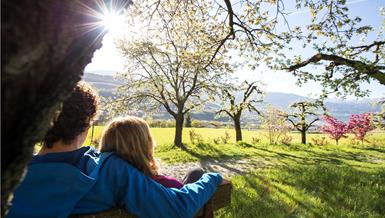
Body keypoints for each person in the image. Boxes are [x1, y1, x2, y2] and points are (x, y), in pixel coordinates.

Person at [7, 81, 222, 218]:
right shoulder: (109, 170)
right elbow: (178, 208)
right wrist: (211, 179)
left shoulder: (11, 176)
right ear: (87, 124)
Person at [99, 116, 205, 189]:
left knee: (194, 173)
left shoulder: (100, 184)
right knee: (197, 173)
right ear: (146, 145)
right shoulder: (164, 186)